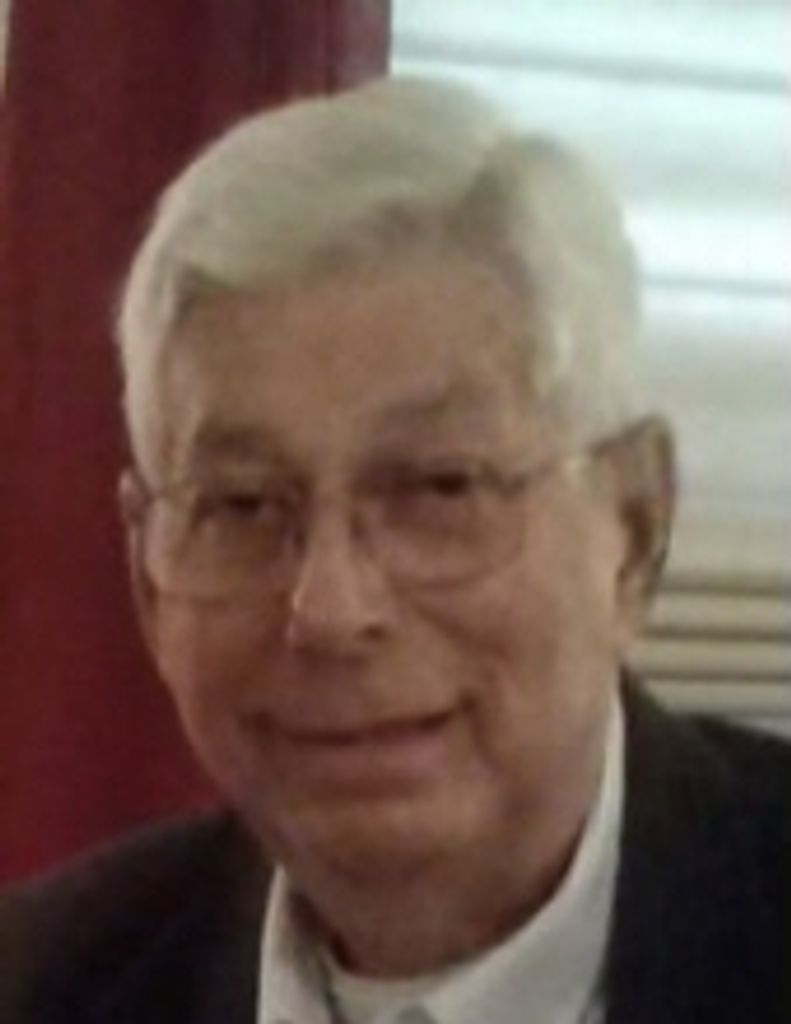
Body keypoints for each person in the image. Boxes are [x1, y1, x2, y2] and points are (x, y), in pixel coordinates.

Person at [0, 76, 788, 1024]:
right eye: (242, 505)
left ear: (633, 532)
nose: (331, 610)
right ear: (146, 580)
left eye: (438, 487)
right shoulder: (42, 980)